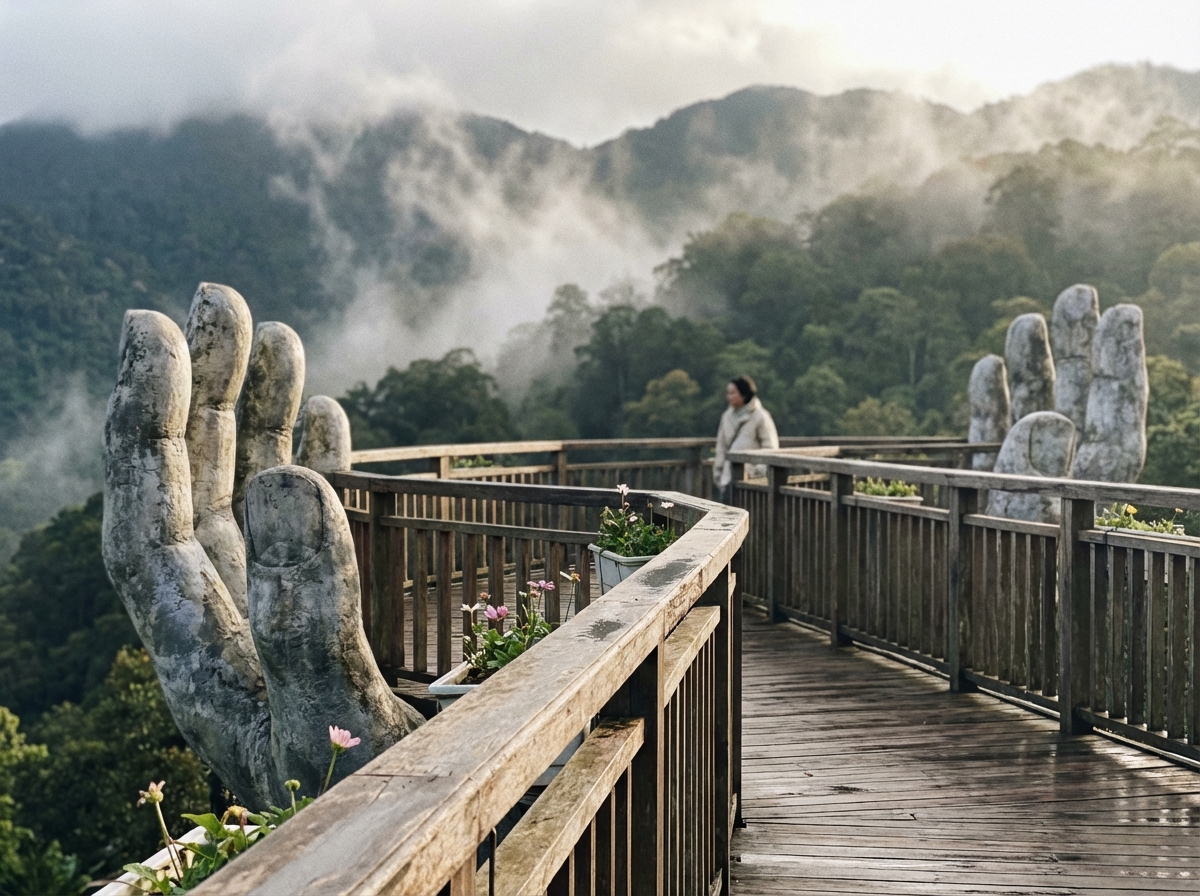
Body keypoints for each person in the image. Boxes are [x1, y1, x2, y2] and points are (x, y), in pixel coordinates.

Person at [713, 375, 779, 503]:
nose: (729, 396)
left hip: (751, 480)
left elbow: (771, 447)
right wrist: (718, 471)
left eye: (732, 392)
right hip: (728, 477)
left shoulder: (760, 416)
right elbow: (721, 446)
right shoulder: (726, 416)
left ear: (743, 394)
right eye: (728, 393)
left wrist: (756, 471)